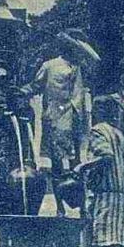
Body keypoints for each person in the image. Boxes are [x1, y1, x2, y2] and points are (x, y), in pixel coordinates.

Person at [24, 29, 100, 214]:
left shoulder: (79, 67)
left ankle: (80, 206)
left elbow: (96, 59)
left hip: (76, 120)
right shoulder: (50, 66)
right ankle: (59, 207)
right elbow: (35, 86)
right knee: (57, 165)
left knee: (76, 164)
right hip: (55, 120)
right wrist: (21, 92)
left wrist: (80, 43)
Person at [78, 95, 124, 247]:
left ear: (98, 112)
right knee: (116, 242)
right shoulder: (118, 133)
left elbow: (106, 156)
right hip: (120, 194)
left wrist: (83, 166)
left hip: (106, 194)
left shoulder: (98, 130)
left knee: (104, 243)